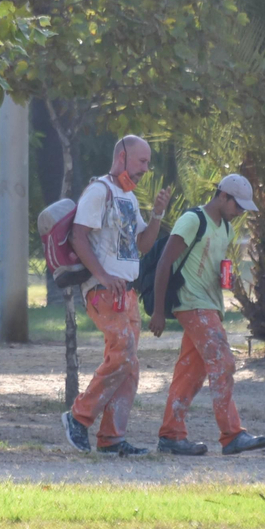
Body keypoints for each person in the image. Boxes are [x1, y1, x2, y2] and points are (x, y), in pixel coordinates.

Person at [60, 135, 172, 456]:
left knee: (129, 364)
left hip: (126, 292)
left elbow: (143, 245)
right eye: (142, 162)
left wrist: (158, 215)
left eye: (147, 163)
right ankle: (78, 418)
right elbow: (78, 236)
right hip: (103, 291)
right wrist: (104, 276)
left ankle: (111, 440)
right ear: (122, 157)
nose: (146, 169)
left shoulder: (129, 198)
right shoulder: (100, 191)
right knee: (123, 352)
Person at [148, 174, 265, 456]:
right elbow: (165, 261)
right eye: (237, 205)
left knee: (190, 372)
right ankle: (232, 434)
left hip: (210, 305)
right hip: (193, 304)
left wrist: (225, 280)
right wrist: (158, 311)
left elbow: (211, 264)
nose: (239, 212)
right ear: (223, 196)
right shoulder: (192, 221)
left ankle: (171, 436)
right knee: (224, 363)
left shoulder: (225, 228)